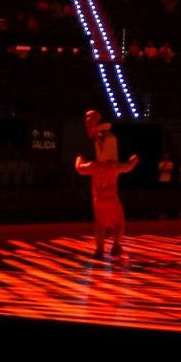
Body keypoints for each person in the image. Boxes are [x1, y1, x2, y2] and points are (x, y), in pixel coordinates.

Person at [74, 110, 138, 260]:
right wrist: (134, 160)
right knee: (120, 223)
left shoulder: (94, 166)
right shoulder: (113, 166)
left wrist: (80, 157)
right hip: (112, 199)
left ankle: (99, 249)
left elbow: (79, 168)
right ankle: (116, 245)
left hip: (98, 200)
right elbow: (128, 166)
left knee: (100, 224)